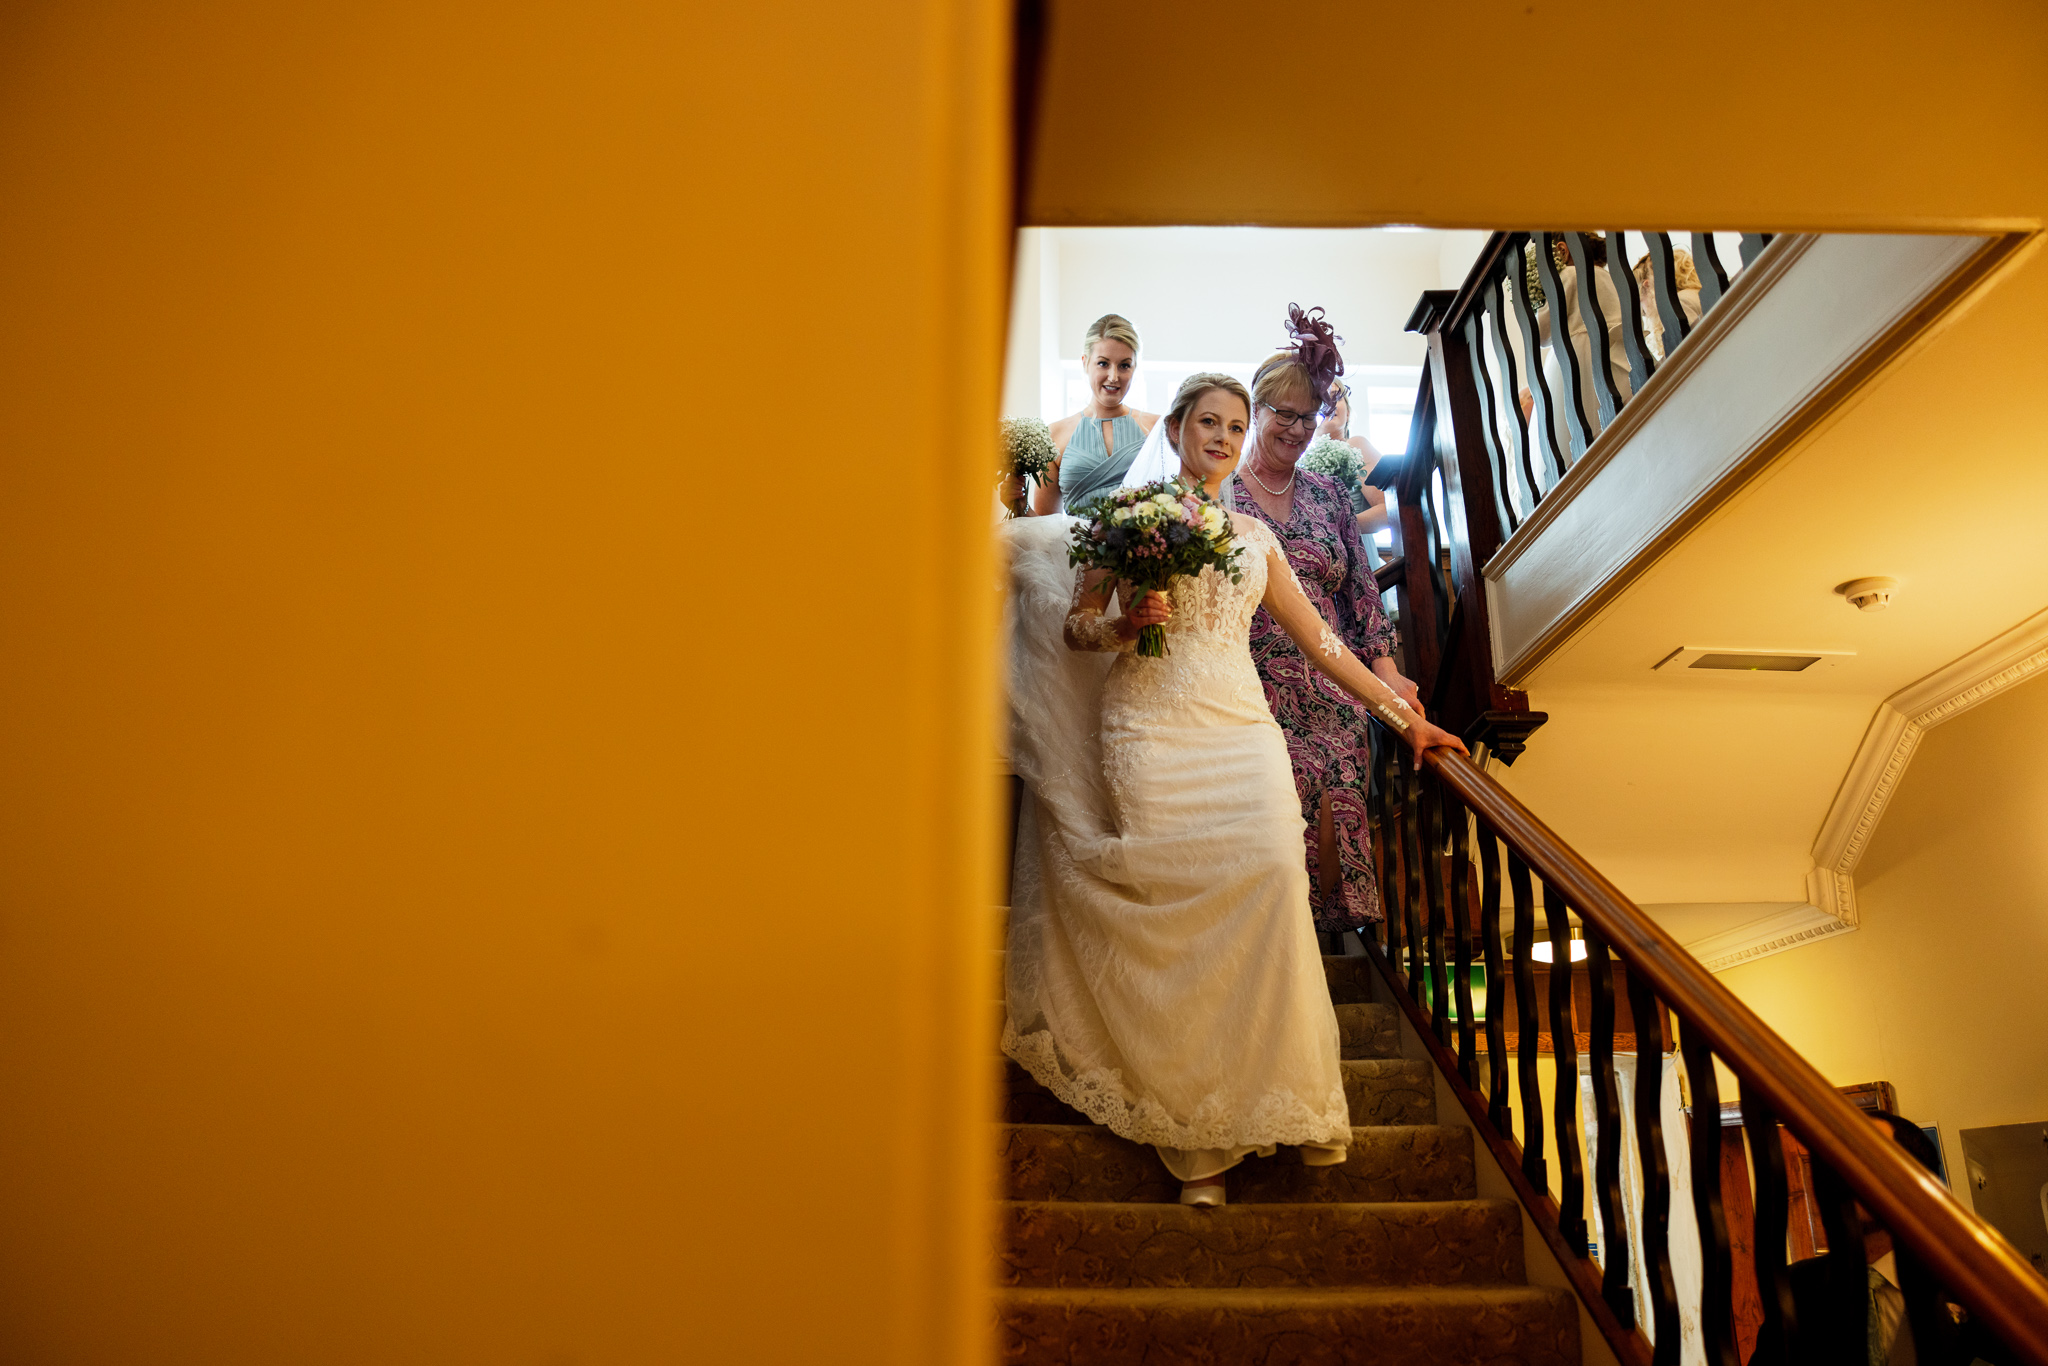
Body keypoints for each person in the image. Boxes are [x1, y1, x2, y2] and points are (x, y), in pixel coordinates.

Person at [1001, 371, 1465, 1207]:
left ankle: (1271, 1097)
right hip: (1147, 726)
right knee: (1177, 901)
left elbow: (1325, 643)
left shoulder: (1256, 540)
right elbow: (1078, 627)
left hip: (1241, 733)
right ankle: (1198, 1144)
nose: (1220, 436)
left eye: (1233, 425)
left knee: (1277, 879)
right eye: (1206, 422)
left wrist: (1407, 720)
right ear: (1176, 429)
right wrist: (1122, 624)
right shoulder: (1123, 521)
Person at [1235, 306, 1421, 943]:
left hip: (1335, 692)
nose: (1295, 427)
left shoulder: (1331, 497)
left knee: (1336, 829)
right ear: (1255, 411)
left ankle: (1317, 966)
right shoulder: (1217, 496)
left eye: (1307, 416)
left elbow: (1364, 597)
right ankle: (1269, 951)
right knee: (1273, 829)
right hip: (1251, 690)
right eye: (1281, 413)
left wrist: (1389, 674)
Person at [1029, 313, 1159, 516]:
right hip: (1070, 548)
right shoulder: (1053, 434)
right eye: (1103, 363)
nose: (1113, 376)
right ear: (1085, 362)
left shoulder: (1157, 428)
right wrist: (1018, 500)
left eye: (1124, 365)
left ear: (1135, 368)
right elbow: (1043, 527)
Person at [1314, 381, 1392, 536]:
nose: (1329, 403)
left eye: (1336, 397)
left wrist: (1335, 530)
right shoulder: (1297, 462)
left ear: (1348, 412)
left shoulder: (1356, 446)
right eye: (1321, 398)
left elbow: (1389, 510)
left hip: (1355, 551)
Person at [1633, 247, 1704, 361]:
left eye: (1642, 309)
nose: (1644, 314)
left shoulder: (1679, 304)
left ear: (1647, 286)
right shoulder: (1696, 294)